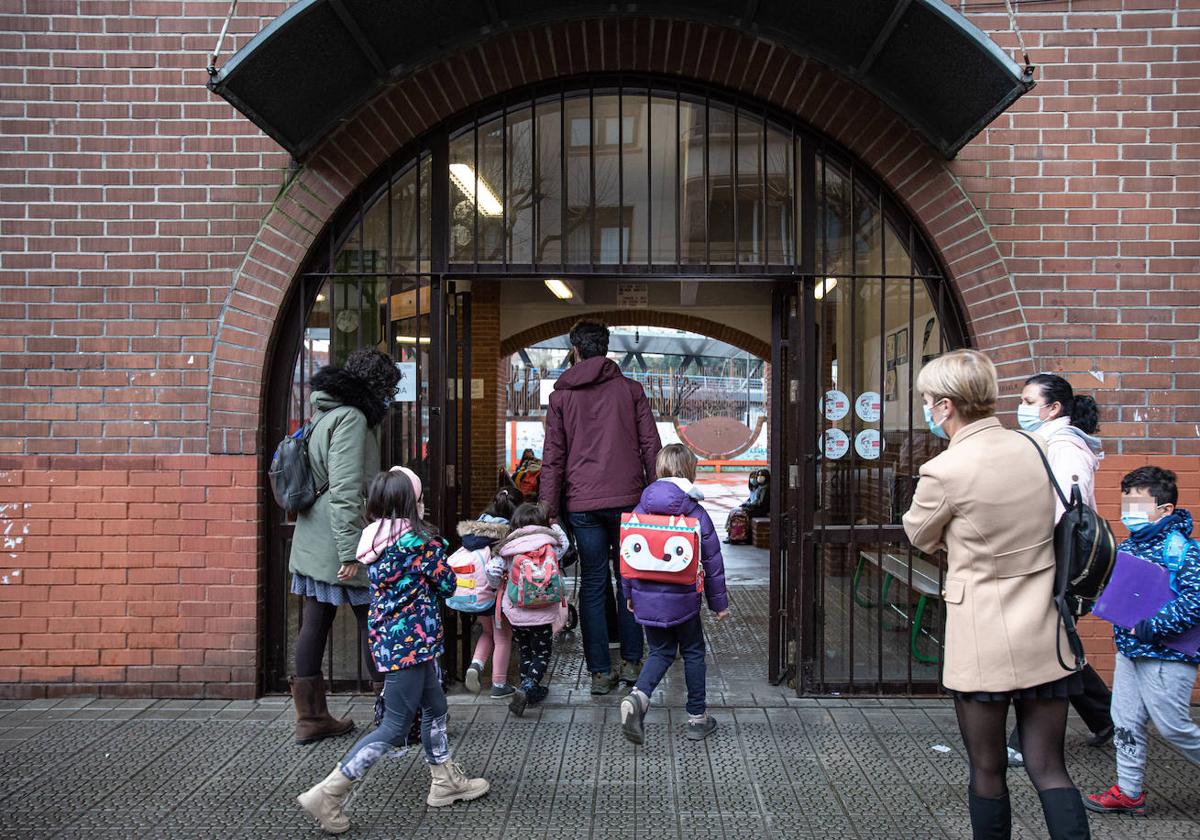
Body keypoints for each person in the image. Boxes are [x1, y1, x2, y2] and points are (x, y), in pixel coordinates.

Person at [903, 349, 1091, 840]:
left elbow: (920, 534)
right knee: (1050, 767)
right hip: (1044, 628)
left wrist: (955, 537)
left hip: (982, 632)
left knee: (987, 770)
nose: (926, 407)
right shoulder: (1031, 447)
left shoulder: (944, 469)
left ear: (944, 406)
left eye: (927, 399)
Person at [296, 468, 489, 834]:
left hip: (391, 642)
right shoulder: (419, 545)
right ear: (409, 504)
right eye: (418, 498)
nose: (422, 503)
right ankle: (329, 793)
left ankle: (444, 779)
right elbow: (448, 584)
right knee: (394, 726)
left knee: (436, 707)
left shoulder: (372, 542)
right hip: (414, 647)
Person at [540, 319, 662, 695]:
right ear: (606, 349)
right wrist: (657, 496)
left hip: (582, 505)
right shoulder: (631, 391)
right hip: (628, 501)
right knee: (629, 578)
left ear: (576, 350)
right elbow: (651, 447)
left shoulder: (561, 398)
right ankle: (630, 662)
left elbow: (553, 458)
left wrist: (548, 507)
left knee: (592, 583)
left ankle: (598, 673)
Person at [286, 348, 399, 745]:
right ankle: (393, 716)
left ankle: (311, 718)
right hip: (342, 541)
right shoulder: (351, 418)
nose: (392, 395)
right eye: (391, 387)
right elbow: (346, 491)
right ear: (378, 385)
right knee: (377, 622)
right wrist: (352, 552)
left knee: (316, 622)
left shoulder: (326, 412)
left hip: (314, 537)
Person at [1008, 373, 1114, 766]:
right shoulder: (1048, 442)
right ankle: (1108, 718)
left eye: (1028, 400)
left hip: (1056, 562)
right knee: (1059, 645)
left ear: (1053, 408)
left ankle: (1024, 741)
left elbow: (1070, 513)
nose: (1021, 408)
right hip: (1049, 559)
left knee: (1043, 647)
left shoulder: (1065, 447)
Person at [1085, 466, 1200, 816]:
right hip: (1130, 652)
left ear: (1165, 509)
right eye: (1125, 502)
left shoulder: (1182, 549)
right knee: (1124, 720)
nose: (1128, 511)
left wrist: (1152, 625)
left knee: (1172, 725)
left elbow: (1195, 601)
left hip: (1167, 656)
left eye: (1137, 504)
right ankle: (1129, 791)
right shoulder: (1131, 544)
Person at [619, 444, 729, 745]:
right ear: (690, 470)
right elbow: (712, 560)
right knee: (692, 651)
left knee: (660, 651)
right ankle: (697, 718)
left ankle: (638, 697)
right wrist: (718, 603)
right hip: (684, 601)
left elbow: (628, 556)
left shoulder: (640, 508)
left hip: (647, 597)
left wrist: (629, 592)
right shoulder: (695, 510)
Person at [488, 501, 570, 717]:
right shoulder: (551, 544)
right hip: (543, 613)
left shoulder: (508, 548)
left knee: (525, 649)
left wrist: (498, 587)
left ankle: (529, 690)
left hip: (516, 611)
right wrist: (554, 523)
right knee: (542, 653)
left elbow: (492, 570)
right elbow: (566, 543)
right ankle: (528, 686)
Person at [458, 484, 521, 698]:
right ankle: (499, 684)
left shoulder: (477, 527)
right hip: (497, 593)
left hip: (477, 592)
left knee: (487, 632)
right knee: (503, 637)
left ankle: (475, 666)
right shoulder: (508, 533)